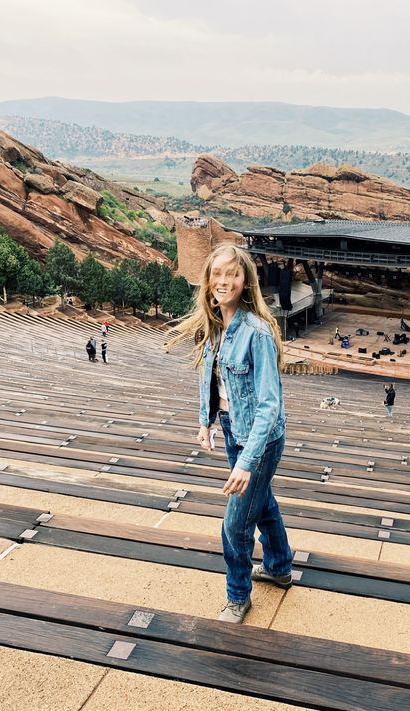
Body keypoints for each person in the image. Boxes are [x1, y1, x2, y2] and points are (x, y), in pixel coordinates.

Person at [167, 244, 292, 624]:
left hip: (261, 440)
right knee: (262, 502)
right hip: (232, 429)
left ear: (245, 281)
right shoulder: (214, 326)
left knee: (235, 524)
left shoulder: (256, 333)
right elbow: (210, 378)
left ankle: (239, 596)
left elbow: (270, 405)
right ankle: (279, 567)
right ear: (207, 280)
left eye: (232, 274)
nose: (224, 281)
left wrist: (247, 463)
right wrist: (204, 421)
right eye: (217, 274)